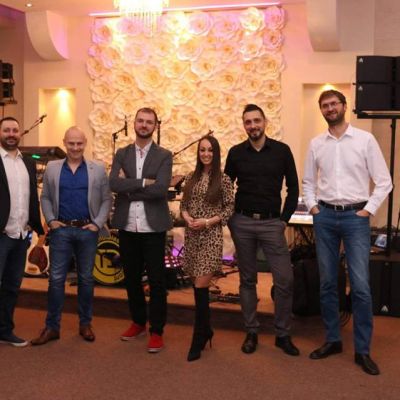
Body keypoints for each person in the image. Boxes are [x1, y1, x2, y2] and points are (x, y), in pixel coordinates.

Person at [302, 89, 392, 375]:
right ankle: (333, 340)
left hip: (356, 218)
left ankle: (362, 350)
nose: (330, 109)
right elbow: (308, 182)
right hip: (325, 217)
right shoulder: (316, 144)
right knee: (328, 283)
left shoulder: (365, 140)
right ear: (321, 110)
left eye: (334, 104)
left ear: (344, 106)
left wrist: (368, 210)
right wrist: (314, 208)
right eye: (325, 105)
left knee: (361, 286)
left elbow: (384, 181)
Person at [225, 104, 300, 356]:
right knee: (247, 280)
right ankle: (251, 331)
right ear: (244, 125)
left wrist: (284, 220)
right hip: (242, 223)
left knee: (285, 280)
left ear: (265, 122)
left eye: (256, 120)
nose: (253, 126)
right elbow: (226, 188)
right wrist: (230, 218)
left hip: (272, 224)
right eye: (248, 122)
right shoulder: (236, 153)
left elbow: (293, 188)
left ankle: (283, 334)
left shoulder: (282, 151)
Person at [31, 126, 112, 345]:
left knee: (86, 279)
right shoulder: (52, 168)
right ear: (64, 143)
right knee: (56, 280)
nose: (75, 147)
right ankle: (52, 327)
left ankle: (85, 324)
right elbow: (45, 197)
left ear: (85, 143)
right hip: (61, 231)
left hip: (87, 231)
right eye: (71, 143)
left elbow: (107, 199)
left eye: (79, 143)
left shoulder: (98, 169)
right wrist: (50, 220)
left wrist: (97, 223)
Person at [109, 107, 172, 353]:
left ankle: (157, 331)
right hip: (127, 226)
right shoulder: (122, 153)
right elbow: (114, 183)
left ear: (155, 126)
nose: (144, 125)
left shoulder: (164, 155)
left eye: (149, 122)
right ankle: (138, 322)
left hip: (153, 227)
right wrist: (145, 182)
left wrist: (130, 187)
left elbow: (161, 189)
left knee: (157, 281)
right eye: (140, 121)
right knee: (131, 278)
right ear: (134, 123)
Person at [180, 135, 234, 361]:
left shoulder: (224, 179)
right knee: (197, 287)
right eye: (202, 150)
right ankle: (207, 329)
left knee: (201, 286)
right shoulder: (190, 177)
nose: (206, 154)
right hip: (192, 236)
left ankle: (197, 338)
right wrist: (187, 217)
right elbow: (184, 206)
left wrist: (207, 222)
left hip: (211, 236)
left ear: (216, 153)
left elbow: (229, 208)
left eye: (210, 150)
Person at [0, 117, 44, 347]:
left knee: (11, 287)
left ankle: (5, 330)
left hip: (20, 235)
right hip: (1, 235)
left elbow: (31, 197)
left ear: (20, 134)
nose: (11, 134)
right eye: (6, 130)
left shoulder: (27, 162)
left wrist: (36, 226)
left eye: (15, 130)